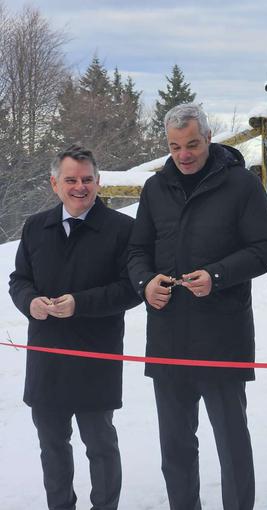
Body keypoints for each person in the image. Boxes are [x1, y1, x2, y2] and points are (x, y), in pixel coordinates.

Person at [127, 103, 267, 510]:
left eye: (192, 144)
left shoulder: (241, 184)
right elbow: (137, 250)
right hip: (169, 338)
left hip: (222, 337)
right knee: (174, 446)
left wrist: (218, 275)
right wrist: (145, 282)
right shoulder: (156, 189)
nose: (184, 154)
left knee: (231, 444)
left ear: (209, 138)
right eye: (175, 146)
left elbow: (264, 250)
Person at [8, 144, 141, 510]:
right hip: (46, 358)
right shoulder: (36, 227)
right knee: (52, 446)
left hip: (95, 356)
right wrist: (30, 302)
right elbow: (19, 279)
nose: (79, 186)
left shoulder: (122, 229)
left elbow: (131, 289)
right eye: (71, 180)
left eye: (87, 179)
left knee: (100, 445)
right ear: (55, 183)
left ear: (98, 182)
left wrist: (79, 304)